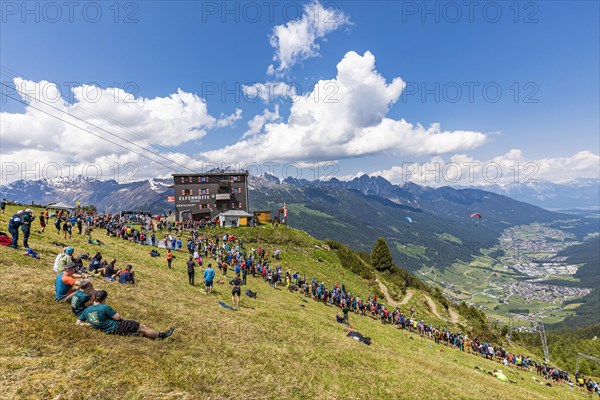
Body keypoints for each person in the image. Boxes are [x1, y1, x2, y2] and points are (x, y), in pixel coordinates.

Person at [76, 290, 174, 339]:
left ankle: (134, 333)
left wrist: (90, 324)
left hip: (107, 329)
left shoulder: (87, 310)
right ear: (104, 299)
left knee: (133, 327)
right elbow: (117, 317)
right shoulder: (104, 307)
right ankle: (162, 335)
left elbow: (78, 323)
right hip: (115, 327)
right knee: (142, 327)